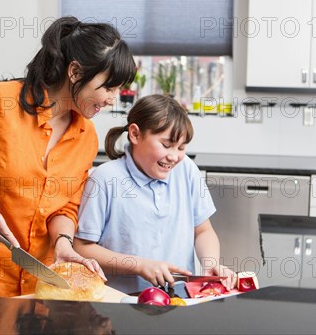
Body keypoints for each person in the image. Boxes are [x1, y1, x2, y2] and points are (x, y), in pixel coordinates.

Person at [0, 16, 137, 297]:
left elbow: (65, 207)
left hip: (36, 283)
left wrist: (64, 243)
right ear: (76, 72)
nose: (112, 99)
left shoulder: (85, 136)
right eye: (108, 87)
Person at [73, 95, 236, 294]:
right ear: (135, 134)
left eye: (181, 147)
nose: (174, 156)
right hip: (122, 304)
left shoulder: (187, 170)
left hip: (179, 298)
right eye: (166, 145)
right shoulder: (105, 178)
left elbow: (203, 231)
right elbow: (81, 248)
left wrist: (210, 264)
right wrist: (139, 265)